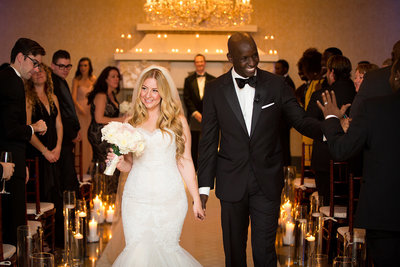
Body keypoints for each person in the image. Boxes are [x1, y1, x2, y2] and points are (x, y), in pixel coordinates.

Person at [198, 33, 321, 267]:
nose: (252, 63)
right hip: (231, 181)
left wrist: (330, 128)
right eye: (245, 58)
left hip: (267, 181)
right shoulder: (215, 90)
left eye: (255, 56)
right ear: (230, 58)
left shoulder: (277, 85)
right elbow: (208, 140)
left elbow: (300, 120)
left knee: (265, 252)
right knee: (234, 253)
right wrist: (204, 186)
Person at [111, 66, 205, 266]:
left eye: (155, 90)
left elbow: (185, 160)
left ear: (164, 93)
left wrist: (196, 198)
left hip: (170, 198)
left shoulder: (178, 121)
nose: (148, 95)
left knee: (166, 251)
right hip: (136, 198)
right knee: (137, 251)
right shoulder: (131, 122)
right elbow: (129, 164)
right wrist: (120, 163)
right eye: (144, 88)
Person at [316, 58, 400, 266]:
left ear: (396, 76)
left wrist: (332, 119)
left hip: (384, 216)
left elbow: (341, 150)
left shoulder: (374, 108)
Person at [0, 38, 47, 245]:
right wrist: (33, 127)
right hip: (6, 161)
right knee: (13, 225)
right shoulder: (11, 81)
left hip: (13, 159)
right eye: (34, 63)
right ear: (20, 57)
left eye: (39, 64)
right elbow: (9, 128)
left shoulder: (9, 77)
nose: (36, 69)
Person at [306, 55, 356, 204]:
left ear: (332, 72)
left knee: (326, 205)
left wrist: (329, 129)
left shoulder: (321, 95)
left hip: (324, 158)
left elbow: (308, 125)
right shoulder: (358, 94)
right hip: (352, 159)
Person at [25, 63, 64, 246]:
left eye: (42, 71)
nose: (39, 73)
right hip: (37, 155)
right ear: (30, 74)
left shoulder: (53, 97)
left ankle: (55, 241)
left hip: (54, 153)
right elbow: (27, 131)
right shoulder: (28, 98)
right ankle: (42, 243)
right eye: (36, 70)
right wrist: (45, 151)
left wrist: (57, 148)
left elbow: (59, 125)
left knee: (56, 195)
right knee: (44, 195)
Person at [87, 66, 126, 195]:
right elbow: (98, 118)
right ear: (105, 79)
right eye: (113, 76)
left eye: (117, 76)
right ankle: (102, 193)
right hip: (99, 135)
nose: (116, 79)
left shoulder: (112, 95)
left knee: (112, 162)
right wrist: (122, 119)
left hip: (109, 135)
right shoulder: (101, 95)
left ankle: (109, 193)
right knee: (107, 162)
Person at [51, 50, 80, 198]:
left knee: (68, 177)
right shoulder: (52, 82)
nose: (65, 70)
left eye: (68, 66)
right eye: (61, 66)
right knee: (66, 179)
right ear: (53, 65)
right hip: (60, 138)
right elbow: (60, 113)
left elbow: (69, 109)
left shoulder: (61, 81)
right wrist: (72, 133)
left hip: (66, 137)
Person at [350, 40, 400, 118]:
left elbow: (355, 114)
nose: (356, 80)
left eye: (360, 77)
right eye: (355, 77)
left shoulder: (374, 78)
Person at [183, 54, 215, 169]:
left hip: (209, 116)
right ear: (195, 64)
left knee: (208, 142)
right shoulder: (188, 80)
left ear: (205, 63)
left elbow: (214, 99)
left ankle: (207, 167)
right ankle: (194, 168)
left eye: (201, 61)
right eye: (197, 62)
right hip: (194, 117)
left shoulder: (213, 79)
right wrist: (195, 113)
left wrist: (207, 113)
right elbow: (186, 98)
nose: (200, 64)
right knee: (194, 143)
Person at [72, 57, 96, 174]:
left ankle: (89, 168)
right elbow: (73, 98)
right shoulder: (76, 79)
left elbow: (96, 96)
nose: (83, 68)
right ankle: (79, 168)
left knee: (90, 139)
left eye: (85, 65)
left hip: (90, 111)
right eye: (81, 65)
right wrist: (80, 108)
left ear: (89, 66)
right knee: (82, 138)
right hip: (79, 111)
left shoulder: (93, 79)